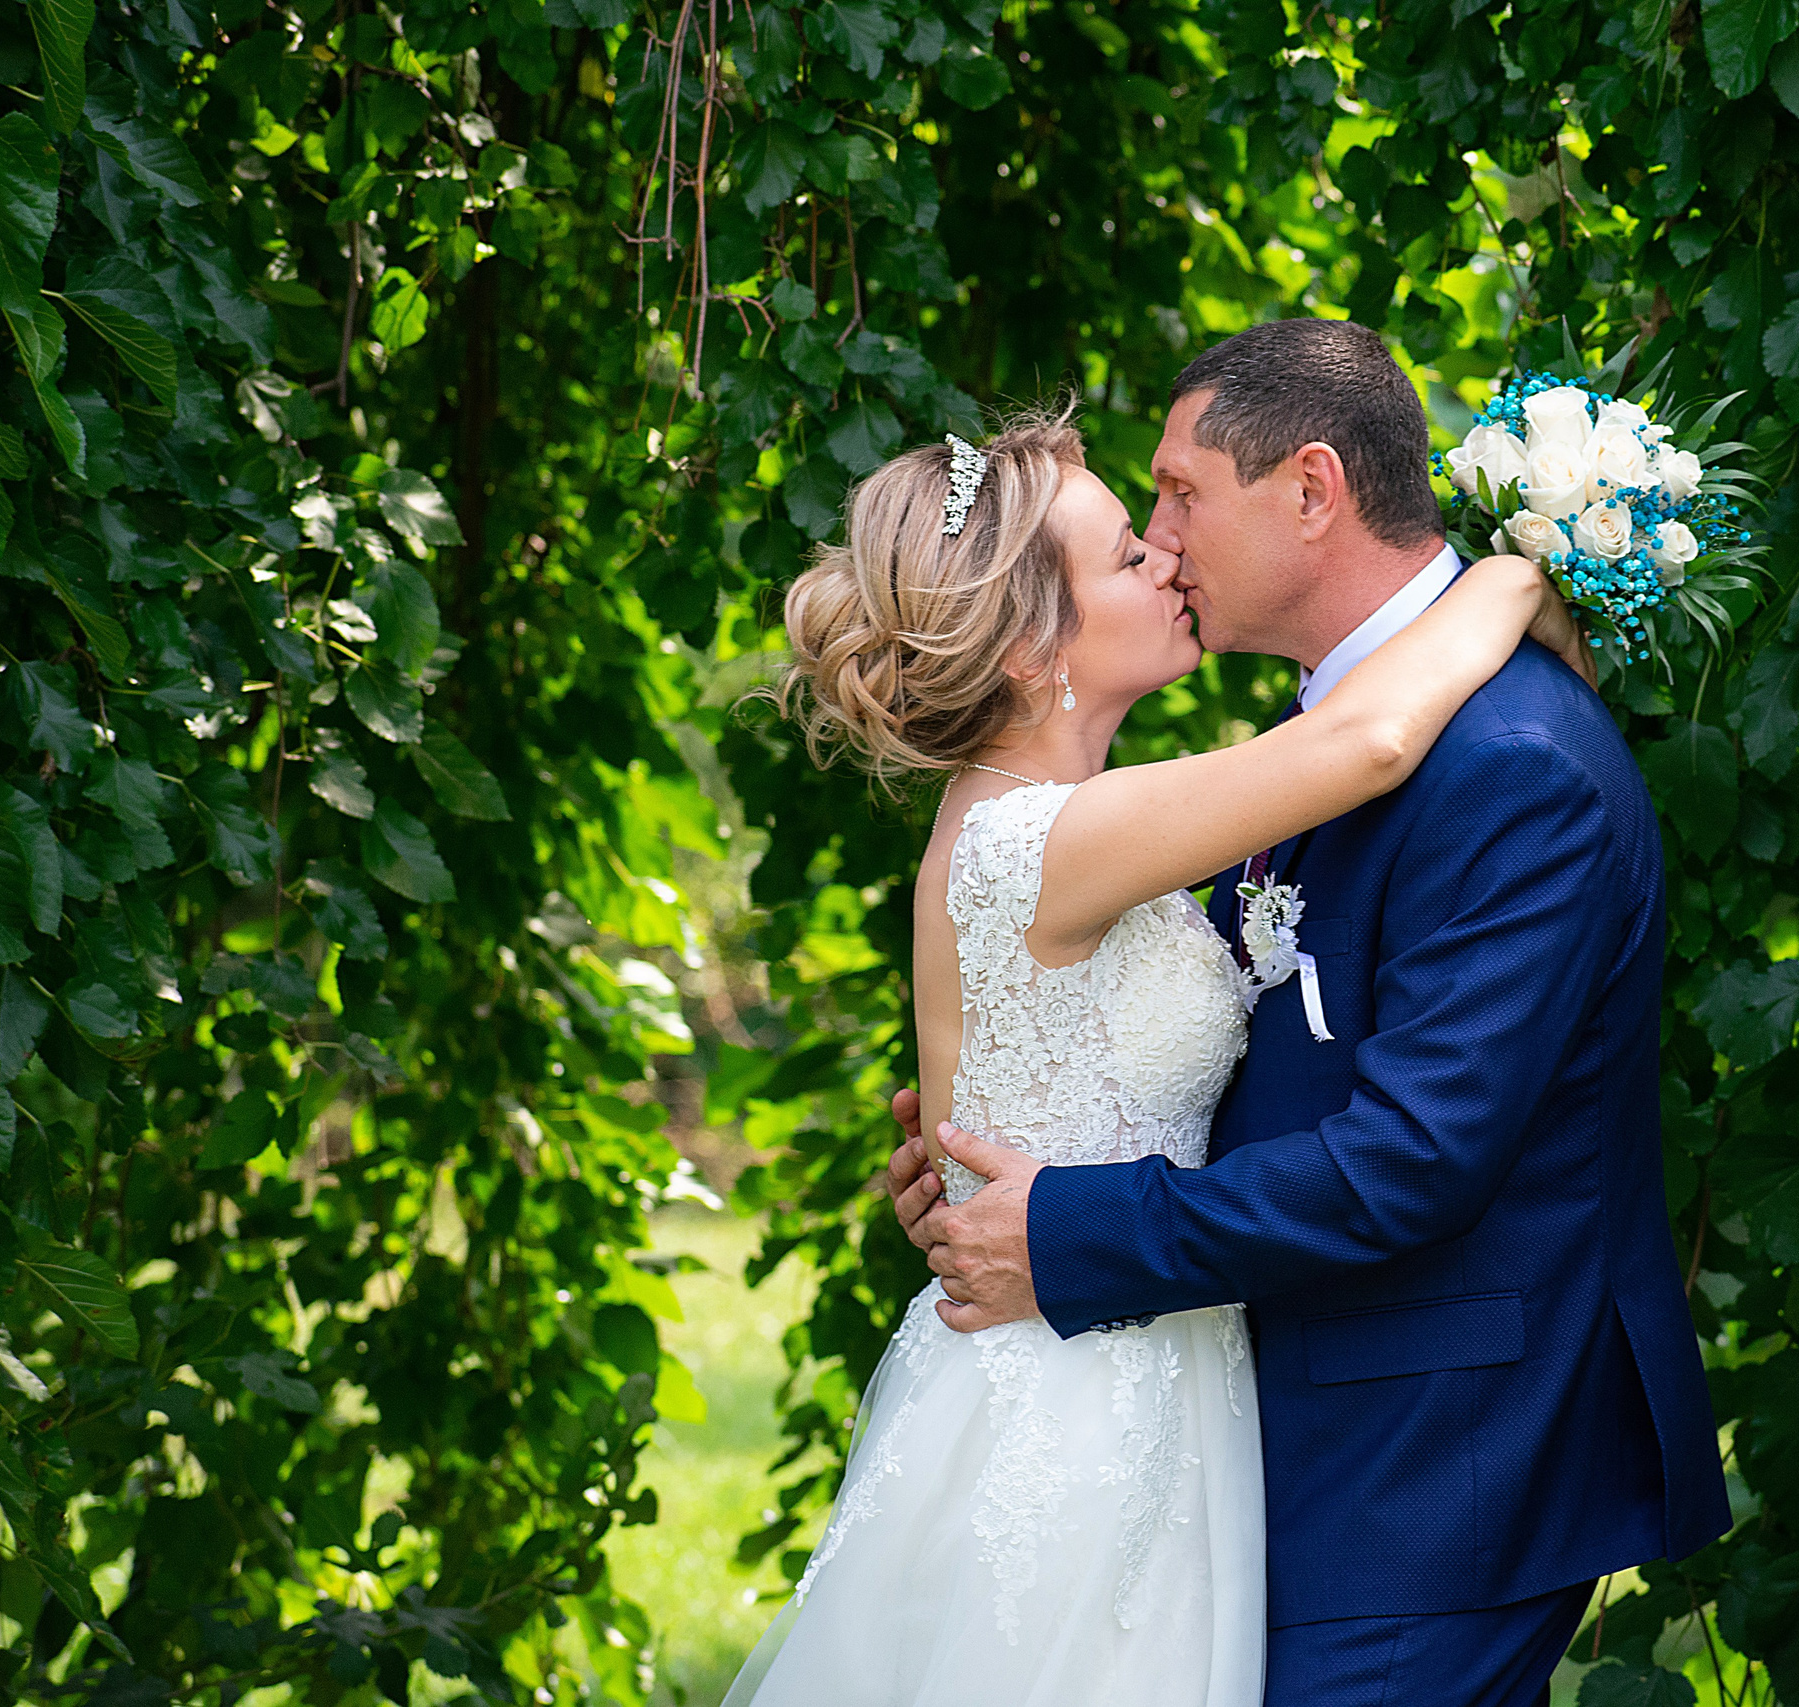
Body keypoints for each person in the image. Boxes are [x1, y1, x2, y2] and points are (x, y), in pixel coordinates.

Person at [883, 318, 1735, 1707]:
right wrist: (991, 1171)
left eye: (1177, 495)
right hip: (1222, 1434)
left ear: (1313, 491)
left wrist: (1056, 1222)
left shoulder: (1510, 762)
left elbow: (1416, 1158)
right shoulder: (1283, 760)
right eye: (1133, 526)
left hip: (1434, 1471)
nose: (1160, 543)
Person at [722, 396, 1581, 1707]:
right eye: (1126, 554)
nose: (1168, 560)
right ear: (1027, 647)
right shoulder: (1041, 842)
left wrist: (953, 1185)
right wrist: (1512, 578)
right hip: (1075, 1408)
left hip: (1141, 1360)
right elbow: (1368, 739)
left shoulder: (1066, 822)